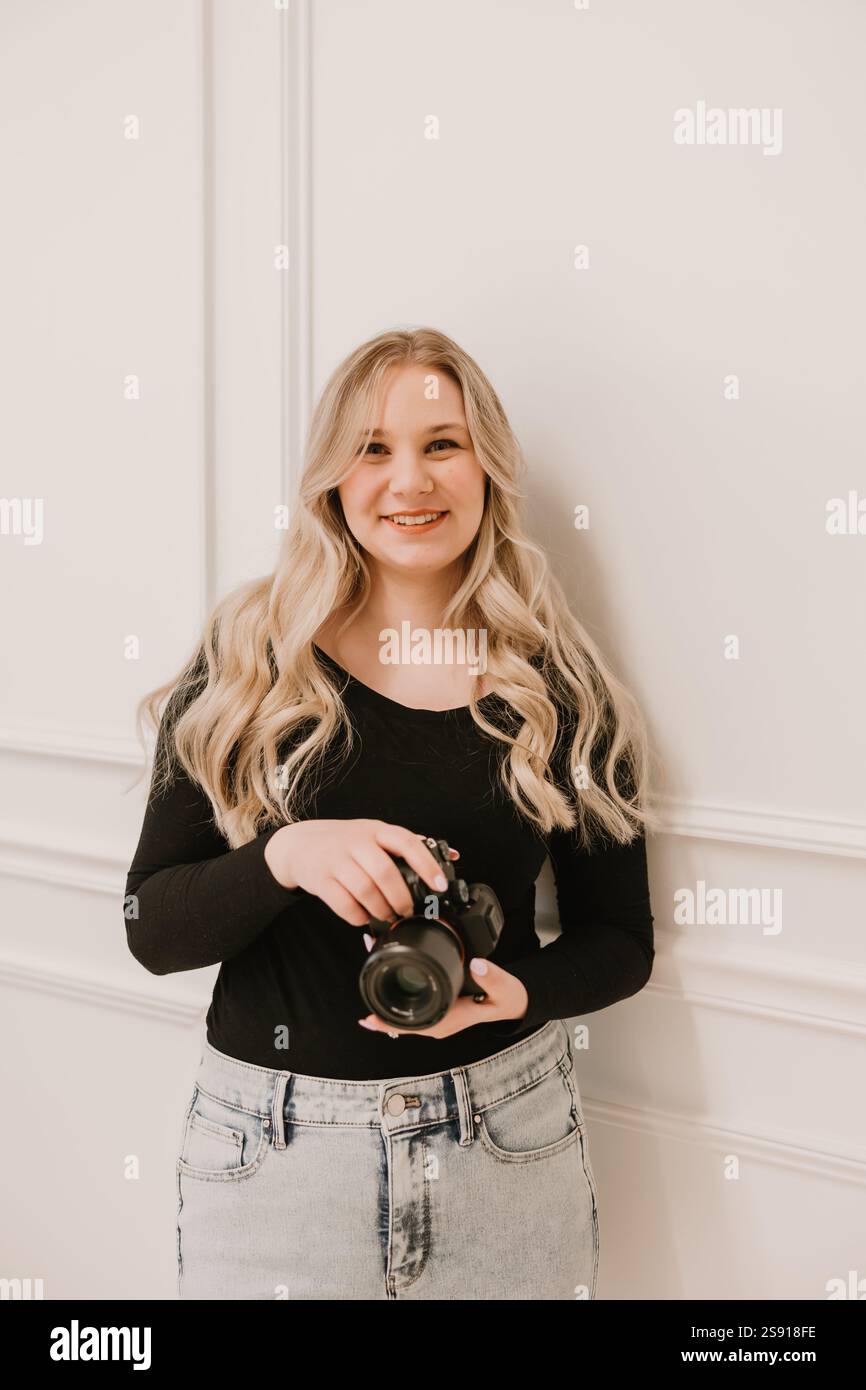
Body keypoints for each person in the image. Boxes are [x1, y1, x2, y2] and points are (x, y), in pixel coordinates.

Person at [124, 326, 658, 1301]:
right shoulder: (251, 655)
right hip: (275, 1157)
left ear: (487, 465)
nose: (407, 479)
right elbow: (150, 928)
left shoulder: (559, 685)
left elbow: (619, 939)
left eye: (440, 443)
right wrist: (285, 855)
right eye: (373, 448)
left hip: (505, 1137)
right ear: (332, 475)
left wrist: (516, 991)